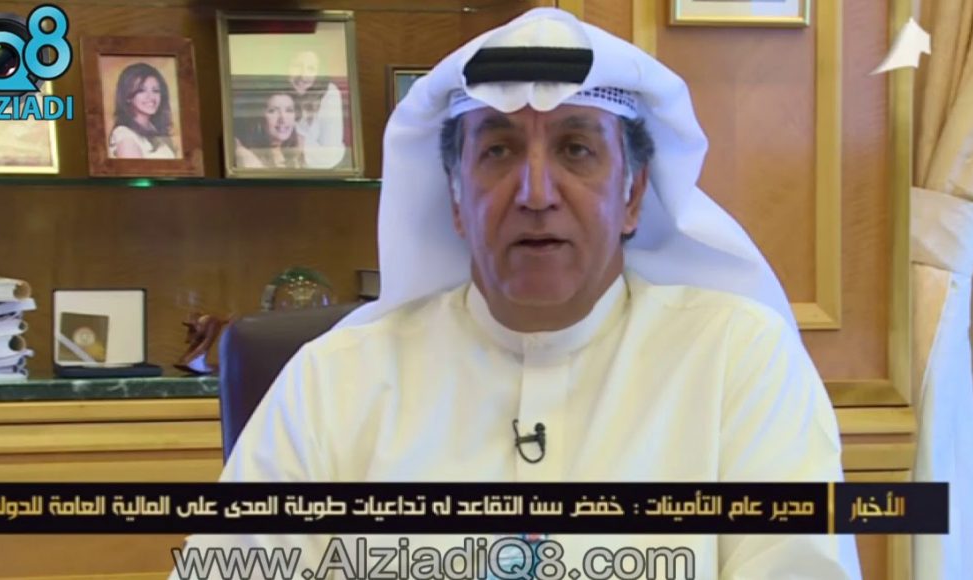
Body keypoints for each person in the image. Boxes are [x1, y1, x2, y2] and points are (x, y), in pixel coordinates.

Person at [171, 7, 861, 579]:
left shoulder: (738, 361)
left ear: (633, 194)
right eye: (497, 152)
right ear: (455, 197)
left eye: (576, 149)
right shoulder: (334, 382)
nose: (535, 193)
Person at [287, 49, 346, 169]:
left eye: (311, 69)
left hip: (328, 168)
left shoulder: (329, 93)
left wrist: (299, 139)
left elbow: (330, 154)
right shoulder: (275, 90)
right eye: (297, 66)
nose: (303, 75)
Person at [108, 62, 178, 159]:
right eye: (141, 90)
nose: (151, 97)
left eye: (156, 91)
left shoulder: (156, 129)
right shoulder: (125, 135)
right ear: (128, 97)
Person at [234, 89, 302, 169]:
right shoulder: (245, 155)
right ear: (260, 117)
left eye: (289, 110)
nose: (283, 118)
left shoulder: (296, 153)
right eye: (273, 111)